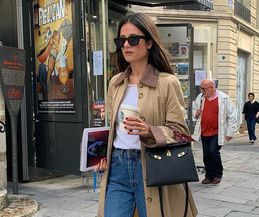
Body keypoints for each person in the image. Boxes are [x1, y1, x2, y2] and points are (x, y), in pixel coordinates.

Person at [97, 13, 197, 217]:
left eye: (133, 39)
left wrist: (149, 130)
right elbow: (112, 129)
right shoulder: (115, 83)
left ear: (149, 42)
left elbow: (181, 132)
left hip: (150, 166)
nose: (126, 45)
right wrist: (100, 155)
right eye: (121, 40)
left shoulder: (168, 83)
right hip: (117, 166)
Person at [193, 79, 237, 185]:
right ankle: (209, 176)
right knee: (206, 154)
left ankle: (218, 174)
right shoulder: (200, 98)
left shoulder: (224, 98)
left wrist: (230, 133)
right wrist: (196, 114)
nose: (201, 90)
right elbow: (194, 113)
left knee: (213, 152)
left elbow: (232, 116)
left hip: (216, 132)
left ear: (212, 88)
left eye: (203, 88)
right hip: (204, 132)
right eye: (201, 88)